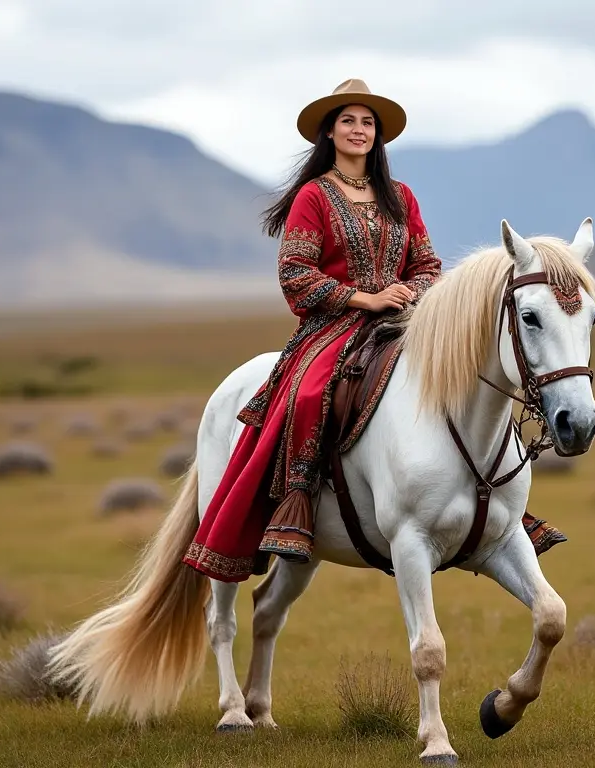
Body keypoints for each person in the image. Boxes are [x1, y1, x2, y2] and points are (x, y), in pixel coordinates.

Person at [182, 79, 443, 582]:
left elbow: (428, 262)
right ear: (329, 130)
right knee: (307, 395)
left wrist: (410, 292)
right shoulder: (313, 195)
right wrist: (364, 297)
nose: (359, 130)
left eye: (368, 122)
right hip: (332, 325)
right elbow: (295, 272)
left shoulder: (401, 197)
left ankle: (489, 500)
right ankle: (296, 506)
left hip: (403, 318)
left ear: (378, 135)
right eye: (348, 120)